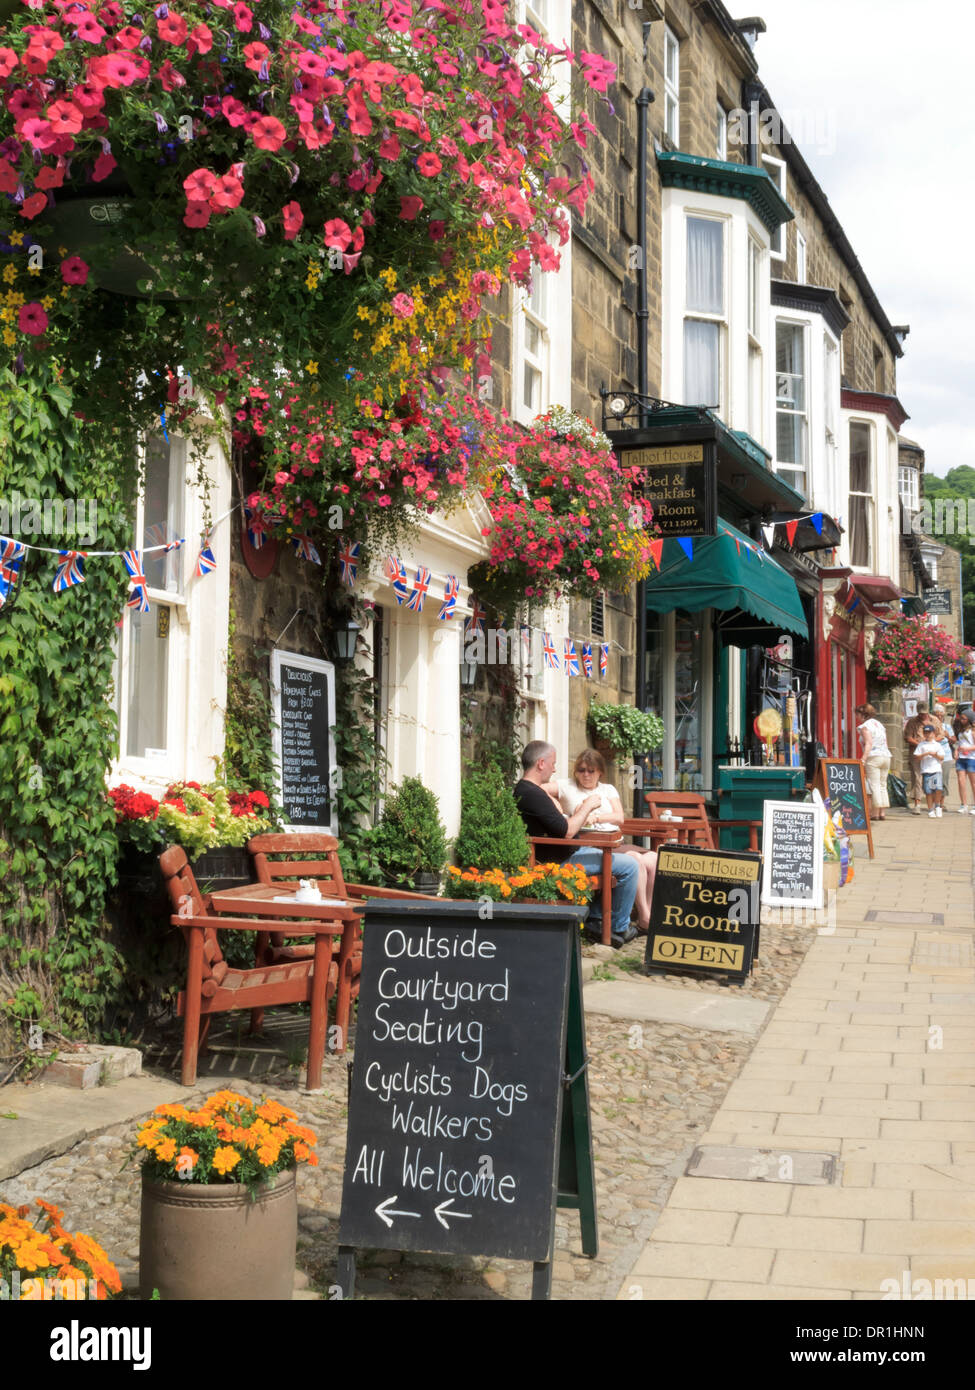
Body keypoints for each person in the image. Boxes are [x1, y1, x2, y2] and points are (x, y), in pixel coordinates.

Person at [513, 740, 639, 948]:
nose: (555, 768)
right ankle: (617, 927)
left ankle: (596, 918)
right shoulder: (532, 794)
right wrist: (588, 806)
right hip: (557, 863)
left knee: (627, 859)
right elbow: (568, 830)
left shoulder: (528, 791)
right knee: (630, 866)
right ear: (541, 763)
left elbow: (559, 825)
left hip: (566, 853)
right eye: (553, 763)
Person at [545, 748, 658, 934]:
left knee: (653, 858)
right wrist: (559, 810)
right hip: (590, 846)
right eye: (581, 770)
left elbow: (619, 817)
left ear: (600, 772)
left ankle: (644, 913)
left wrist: (597, 818)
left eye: (591, 770)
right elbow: (538, 790)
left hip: (614, 842)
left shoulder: (607, 789)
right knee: (636, 861)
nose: (586, 775)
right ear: (576, 771)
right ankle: (645, 918)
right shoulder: (567, 786)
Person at [855, 703, 891, 823]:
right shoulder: (879, 725)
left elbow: (868, 743)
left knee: (874, 784)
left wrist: (863, 759)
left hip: (873, 757)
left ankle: (874, 813)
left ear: (862, 714)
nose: (857, 717)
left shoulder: (865, 726)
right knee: (882, 785)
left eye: (858, 714)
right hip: (886, 756)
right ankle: (882, 812)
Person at [903, 710, 943, 814]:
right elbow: (907, 737)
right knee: (917, 778)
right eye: (920, 713)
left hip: (933, 756)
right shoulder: (912, 722)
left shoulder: (935, 720)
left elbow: (941, 735)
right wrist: (921, 745)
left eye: (924, 713)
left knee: (935, 785)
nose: (922, 715)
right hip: (917, 752)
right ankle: (918, 804)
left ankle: (935, 805)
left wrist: (931, 743)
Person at [913, 723, 945, 818]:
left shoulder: (937, 745)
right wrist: (925, 754)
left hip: (936, 770)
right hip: (926, 770)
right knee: (928, 791)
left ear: (933, 733)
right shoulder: (921, 745)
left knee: (938, 788)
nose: (927, 734)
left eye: (929, 732)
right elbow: (916, 757)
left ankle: (938, 806)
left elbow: (942, 757)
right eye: (925, 733)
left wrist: (934, 755)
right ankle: (930, 810)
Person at [953, 710, 975, 813]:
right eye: (961, 718)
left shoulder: (973, 731)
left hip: (971, 759)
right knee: (961, 782)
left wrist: (968, 749)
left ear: (969, 719)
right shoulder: (961, 731)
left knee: (973, 783)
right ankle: (963, 805)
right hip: (961, 759)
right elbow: (959, 743)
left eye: (964, 719)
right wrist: (956, 751)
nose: (961, 720)